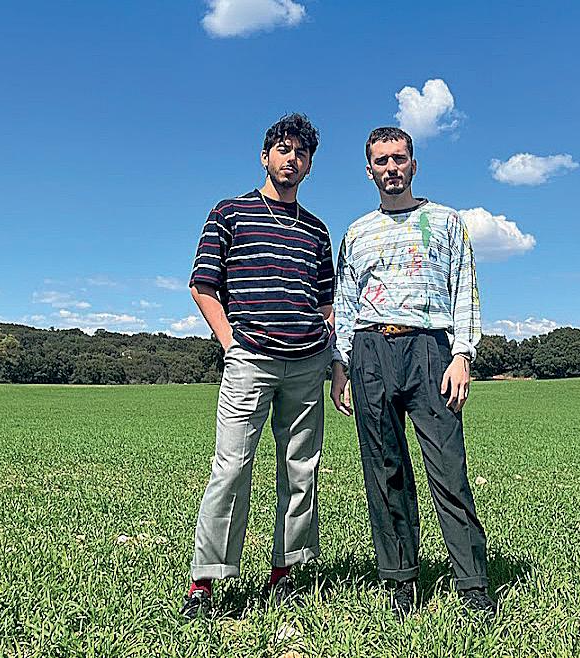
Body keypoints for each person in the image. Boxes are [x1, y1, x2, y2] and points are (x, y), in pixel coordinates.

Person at [330, 126, 494, 616]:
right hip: (370, 350)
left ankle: (472, 583)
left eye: (399, 159)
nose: (391, 168)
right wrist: (340, 365)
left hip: (430, 350)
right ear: (369, 171)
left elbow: (465, 287)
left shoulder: (446, 221)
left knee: (448, 469)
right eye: (381, 161)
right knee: (385, 471)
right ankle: (400, 579)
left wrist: (462, 354)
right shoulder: (356, 232)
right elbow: (344, 302)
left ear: (413, 165)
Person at [180, 114, 335, 619]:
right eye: (283, 149)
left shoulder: (317, 230)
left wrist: (329, 355)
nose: (292, 159)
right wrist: (230, 343)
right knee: (231, 468)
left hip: (307, 363)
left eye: (301, 153)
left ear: (309, 166)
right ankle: (206, 581)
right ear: (265, 157)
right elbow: (203, 285)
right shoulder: (230, 212)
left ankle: (286, 573)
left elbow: (327, 302)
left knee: (301, 470)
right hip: (250, 358)